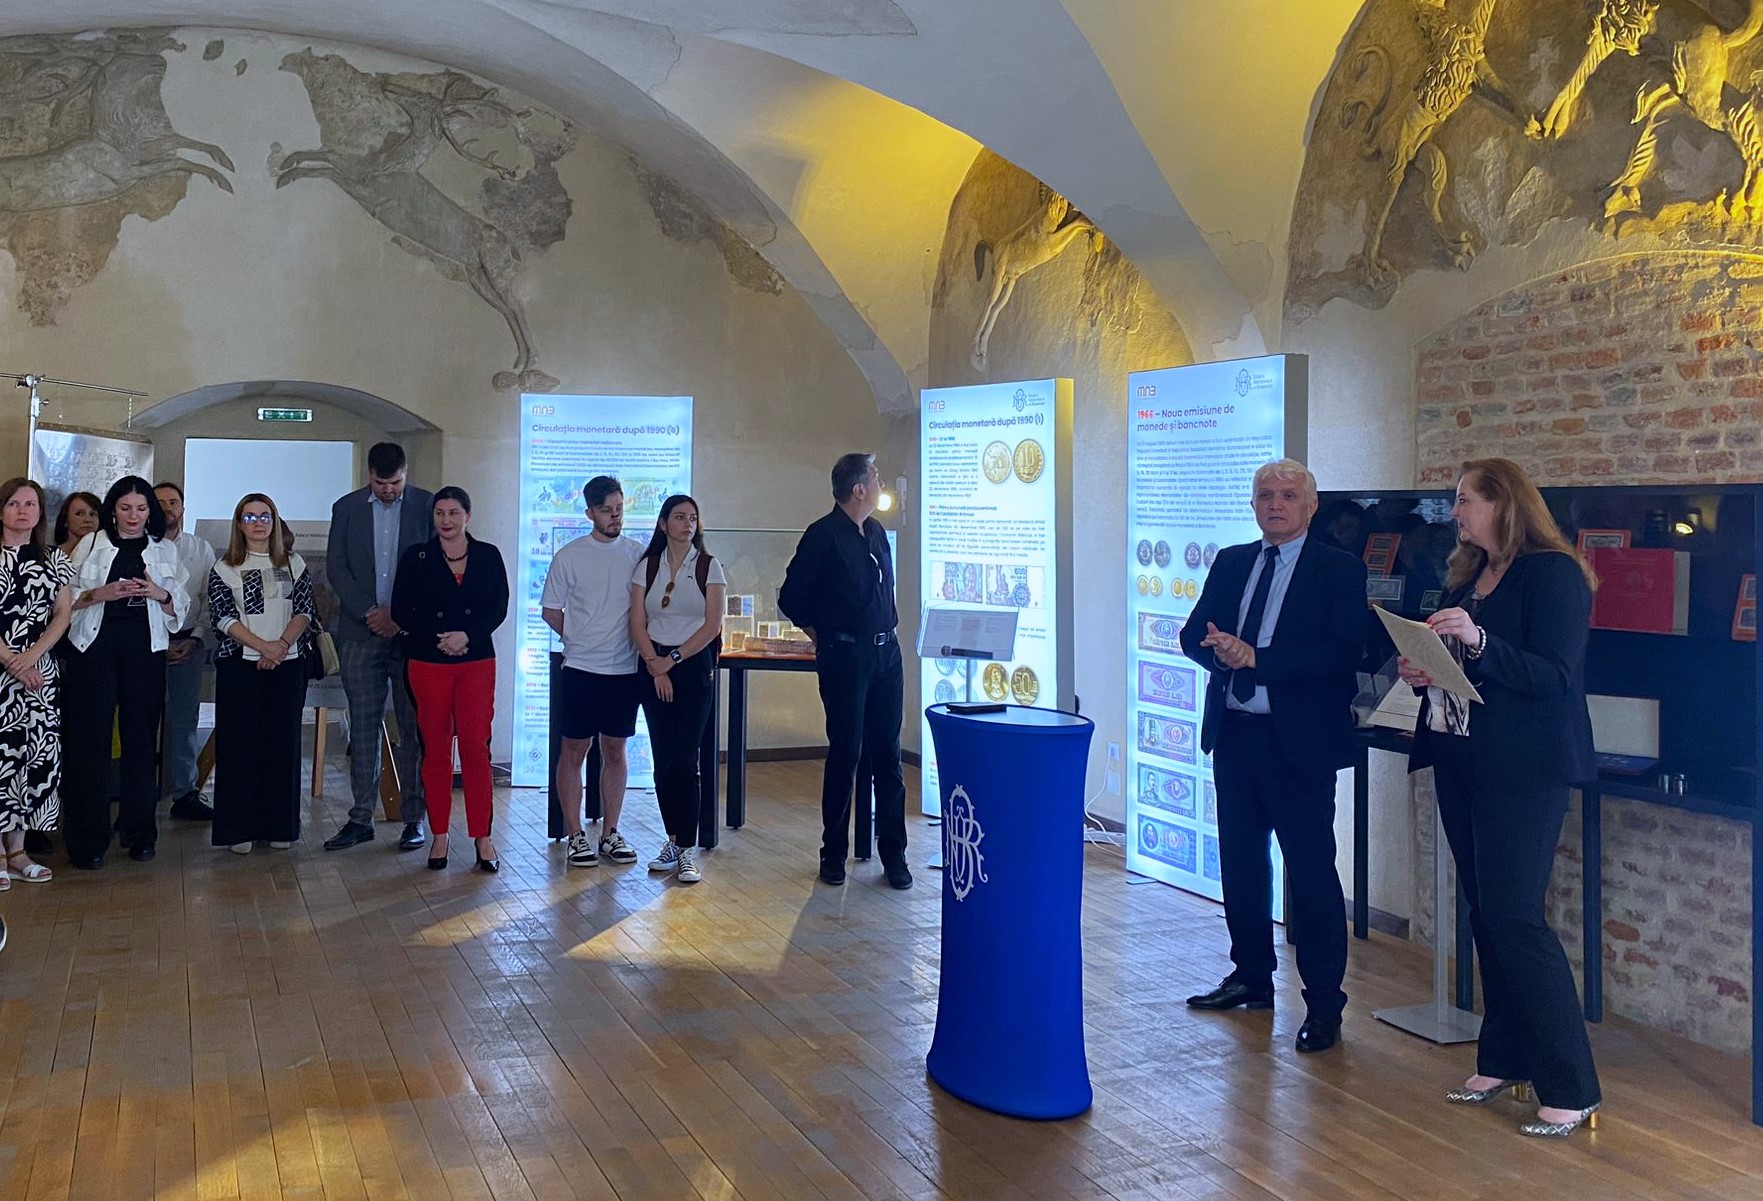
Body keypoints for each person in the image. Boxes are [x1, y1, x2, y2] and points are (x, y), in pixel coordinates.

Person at [1397, 458, 1603, 1137]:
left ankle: (1573, 1085)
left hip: (1526, 767)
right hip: (1462, 757)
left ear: (1503, 503)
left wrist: (1477, 641)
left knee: (1516, 916)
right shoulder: (1466, 576)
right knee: (1485, 913)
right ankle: (1504, 1056)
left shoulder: (1553, 574)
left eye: (1465, 499)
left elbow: (1554, 676)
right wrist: (1425, 668)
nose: (1454, 511)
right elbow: (1465, 669)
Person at [1178, 459, 1366, 1055]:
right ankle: (1251, 977)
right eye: (1265, 495)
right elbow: (1192, 635)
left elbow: (1344, 653)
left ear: (1311, 507)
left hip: (1299, 745)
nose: (1275, 505)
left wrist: (1258, 658)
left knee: (1310, 873)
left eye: (1288, 495)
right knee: (1241, 863)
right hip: (1235, 735)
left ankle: (1324, 1005)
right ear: (1253, 504)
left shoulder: (1338, 569)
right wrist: (1220, 652)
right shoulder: (1233, 561)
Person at [778, 453, 910, 890]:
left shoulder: (875, 532)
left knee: (888, 755)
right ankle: (832, 853)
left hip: (886, 655)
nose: (881, 484)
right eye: (876, 477)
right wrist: (820, 634)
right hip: (845, 657)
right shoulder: (823, 536)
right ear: (859, 489)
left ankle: (894, 854)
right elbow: (791, 597)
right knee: (846, 752)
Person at [61, 476, 189, 868]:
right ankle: (88, 839)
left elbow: (182, 603)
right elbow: (62, 596)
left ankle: (139, 832)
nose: (133, 516)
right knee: (90, 743)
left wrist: (159, 594)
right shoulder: (90, 543)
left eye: (141, 509)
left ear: (150, 512)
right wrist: (97, 594)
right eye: (125, 508)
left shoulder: (164, 550)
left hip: (144, 652)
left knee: (140, 742)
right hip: (93, 650)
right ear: (112, 510)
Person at [391, 486, 509, 872]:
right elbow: (401, 609)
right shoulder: (417, 557)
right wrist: (441, 639)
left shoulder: (488, 555)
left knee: (475, 747)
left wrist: (467, 636)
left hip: (476, 660)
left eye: (454, 513)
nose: (446, 520)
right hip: (428, 660)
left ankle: (483, 837)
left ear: (467, 516)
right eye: (440, 513)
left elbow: (498, 606)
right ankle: (439, 834)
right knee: (436, 748)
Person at [323, 442, 433, 851]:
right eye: (380, 482)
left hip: (411, 636)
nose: (388, 490)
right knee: (364, 726)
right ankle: (360, 819)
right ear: (368, 475)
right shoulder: (347, 508)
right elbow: (337, 568)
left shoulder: (427, 506)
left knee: (413, 727)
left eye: (395, 482)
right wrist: (370, 611)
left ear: (406, 473)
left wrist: (399, 616)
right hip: (360, 632)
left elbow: (433, 567)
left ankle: (413, 818)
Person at [540, 476, 644, 868]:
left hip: (624, 669)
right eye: (606, 510)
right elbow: (551, 610)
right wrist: (579, 638)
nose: (615, 516)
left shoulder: (637, 554)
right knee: (574, 749)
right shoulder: (569, 556)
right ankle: (575, 835)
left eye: (619, 509)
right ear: (589, 513)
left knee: (615, 749)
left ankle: (610, 832)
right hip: (581, 668)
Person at [207, 494, 314, 854]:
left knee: (282, 746)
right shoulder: (224, 567)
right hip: (240, 665)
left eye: (264, 516)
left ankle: (280, 826)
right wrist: (262, 647)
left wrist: (279, 646)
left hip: (287, 664)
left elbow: (305, 610)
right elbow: (223, 617)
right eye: (249, 517)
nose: (257, 523)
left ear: (274, 521)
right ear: (239, 524)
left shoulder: (294, 563)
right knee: (240, 746)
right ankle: (239, 829)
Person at [629, 494, 726, 884]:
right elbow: (637, 621)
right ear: (663, 523)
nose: (687, 524)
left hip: (691, 666)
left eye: (693, 518)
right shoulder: (648, 566)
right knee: (664, 760)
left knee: (686, 760)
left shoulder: (708, 566)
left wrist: (672, 660)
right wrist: (655, 664)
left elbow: (712, 625)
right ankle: (671, 840)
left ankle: (687, 848)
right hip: (653, 666)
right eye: (680, 517)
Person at [0, 480, 74, 887]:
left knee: (33, 758)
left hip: (39, 674)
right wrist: (12, 660)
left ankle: (17, 850)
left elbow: (63, 614)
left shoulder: (54, 558)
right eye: (14, 503)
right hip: (3, 670)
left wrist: (31, 656)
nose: (22, 511)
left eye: (30, 504)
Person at [155, 480, 217, 822]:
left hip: (188, 644)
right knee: (141, 720)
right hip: (146, 646)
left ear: (182, 508)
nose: (167, 508)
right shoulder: (139, 547)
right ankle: (139, 794)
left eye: (173, 502)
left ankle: (185, 793)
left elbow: (208, 598)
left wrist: (194, 639)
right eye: (160, 502)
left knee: (185, 721)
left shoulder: (200, 548)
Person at [53, 492, 100, 558]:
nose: (88, 520)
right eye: (79, 513)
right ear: (65, 520)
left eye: (92, 514)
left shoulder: (106, 553)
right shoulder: (51, 556)